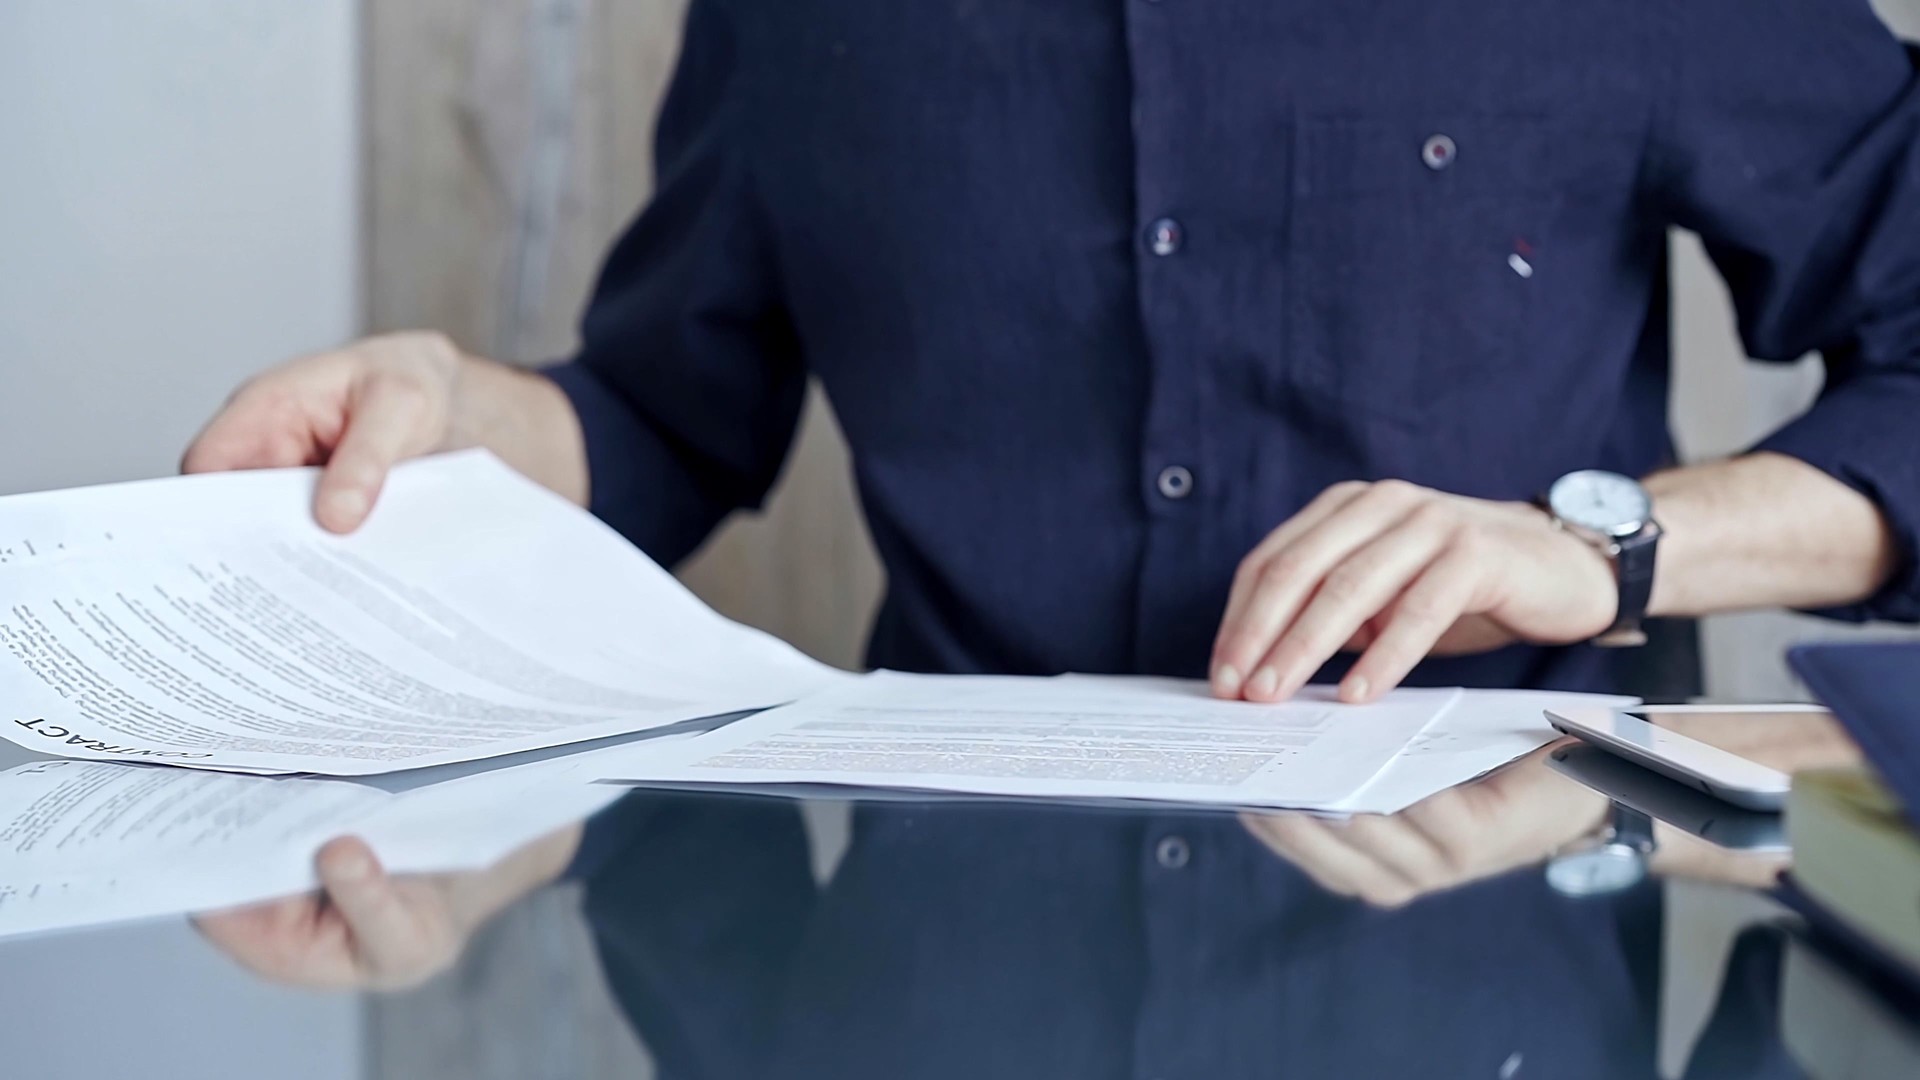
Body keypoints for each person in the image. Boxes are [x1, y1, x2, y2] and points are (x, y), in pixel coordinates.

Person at [187, 0, 1920, 1070]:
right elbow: (663, 416)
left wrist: (1605, 549)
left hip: (1505, 935)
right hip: (929, 970)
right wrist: (449, 419)